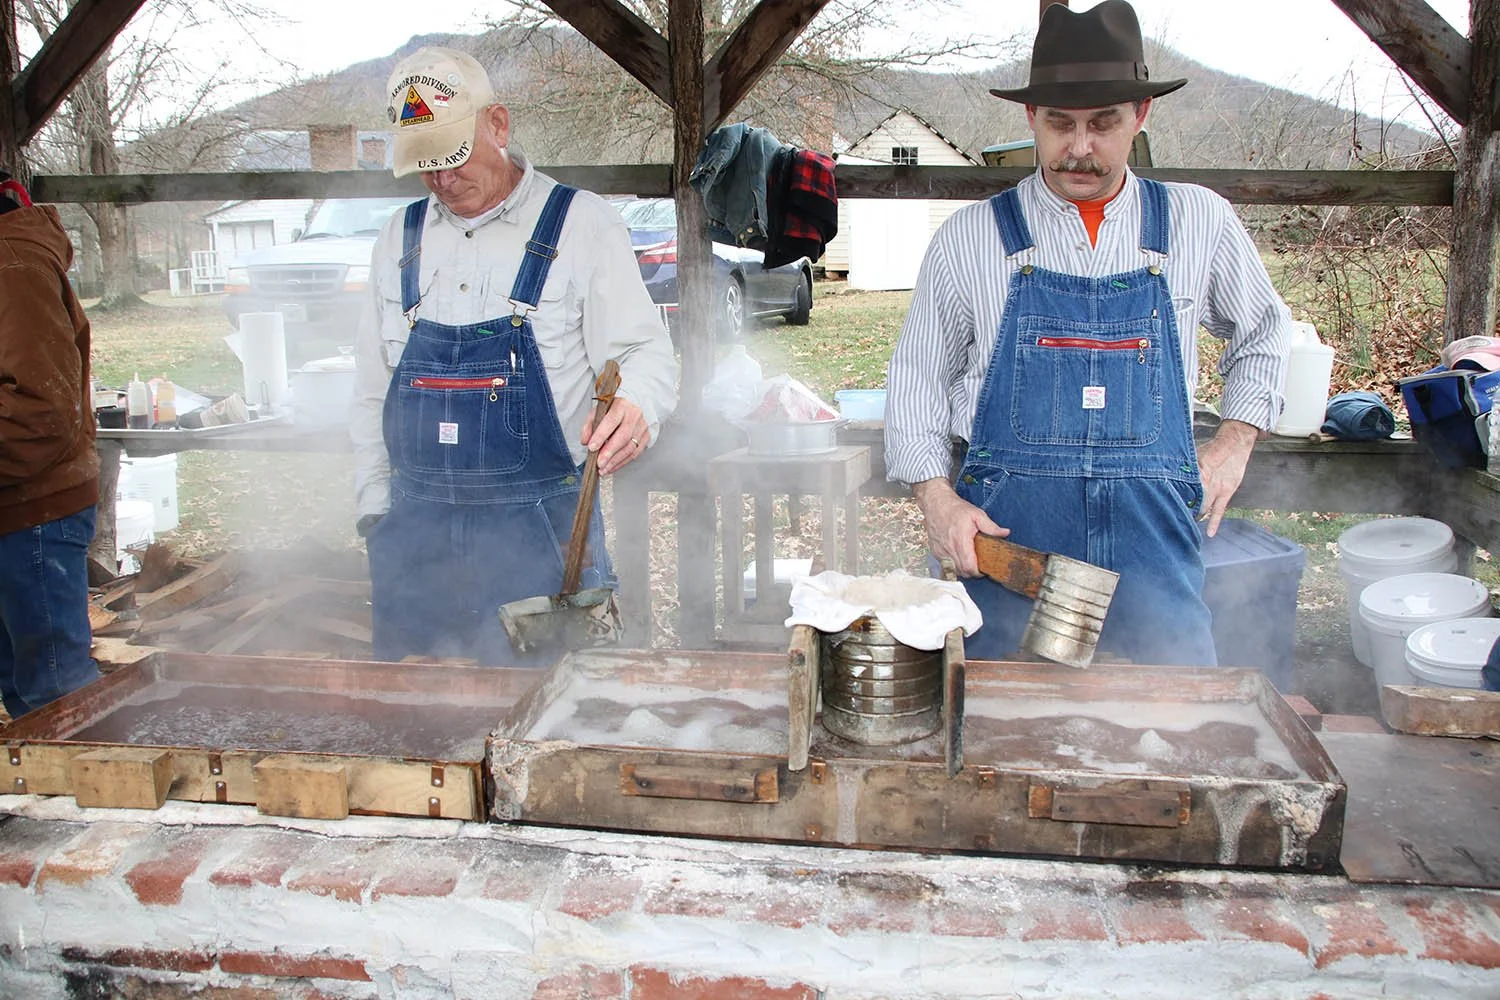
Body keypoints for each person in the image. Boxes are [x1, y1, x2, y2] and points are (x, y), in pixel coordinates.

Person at [884, 0, 1292, 666]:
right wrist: (936, 498)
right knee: (1000, 741)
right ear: (1030, 119)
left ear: (1141, 115)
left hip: (1154, 552)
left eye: (1103, 124)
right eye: (1059, 124)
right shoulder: (970, 239)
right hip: (1010, 552)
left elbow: (1268, 334)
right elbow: (917, 380)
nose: (1079, 148)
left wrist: (1234, 441)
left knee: (1178, 728)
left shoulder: (1198, 223)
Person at [351, 47, 679, 664]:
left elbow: (645, 353)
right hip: (415, 545)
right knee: (412, 732)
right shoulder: (398, 238)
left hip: (543, 540)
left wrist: (638, 404)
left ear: (497, 126)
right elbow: (372, 388)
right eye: (426, 168)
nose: (442, 181)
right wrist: (376, 514)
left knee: (552, 731)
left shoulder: (582, 225)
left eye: (452, 159)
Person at [0, 171, 102, 717]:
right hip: (13, 506)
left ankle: (98, 798)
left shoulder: (11, 262)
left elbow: (41, 411)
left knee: (57, 695)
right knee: (25, 688)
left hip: (33, 512)